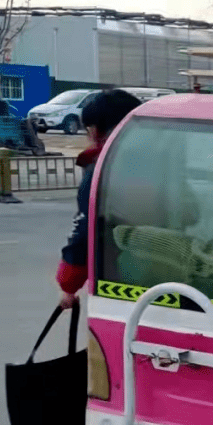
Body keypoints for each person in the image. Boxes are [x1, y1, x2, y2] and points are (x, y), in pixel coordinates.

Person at [56, 89, 142, 309]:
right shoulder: (165, 161)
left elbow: (86, 229)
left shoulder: (102, 169)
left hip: (120, 283)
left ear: (95, 130)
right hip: (174, 279)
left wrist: (68, 285)